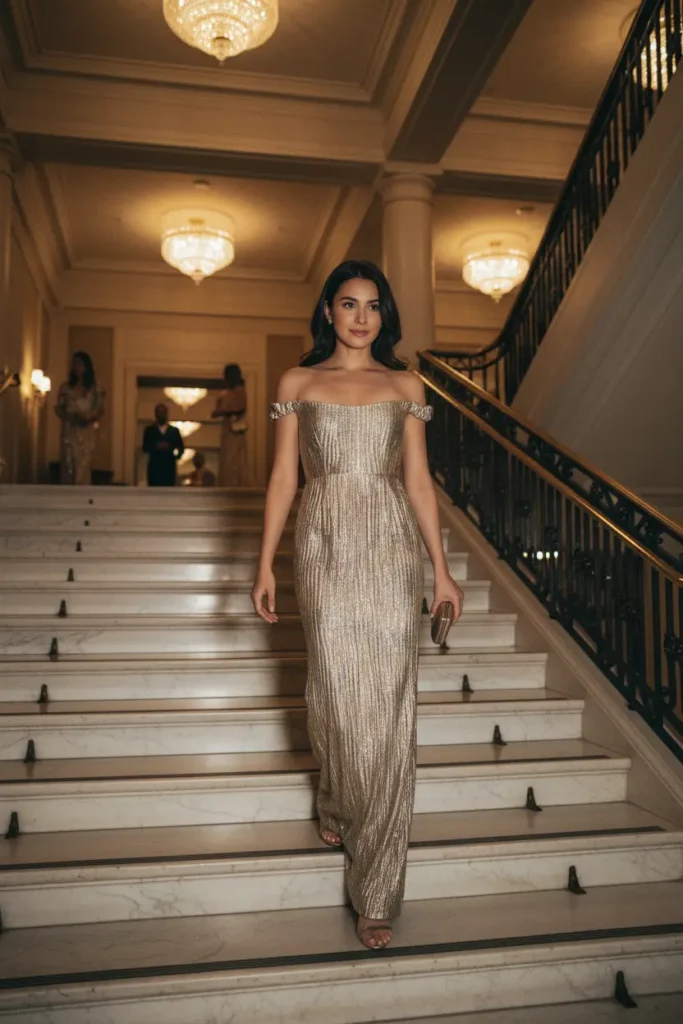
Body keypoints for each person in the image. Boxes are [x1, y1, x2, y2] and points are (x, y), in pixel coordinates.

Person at [251, 260, 464, 950]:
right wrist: (264, 563)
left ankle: (376, 890)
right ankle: (337, 795)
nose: (361, 316)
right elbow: (284, 477)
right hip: (322, 541)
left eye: (373, 305)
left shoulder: (404, 385)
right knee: (336, 693)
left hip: (390, 542)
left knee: (389, 702)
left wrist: (442, 571)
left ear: (384, 315)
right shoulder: (297, 382)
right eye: (348, 303)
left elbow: (420, 484)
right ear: (327, 311)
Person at [55, 351, 104, 485]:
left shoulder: (95, 388)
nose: (76, 367)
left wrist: (88, 418)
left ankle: (81, 496)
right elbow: (59, 408)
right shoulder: (65, 387)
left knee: (82, 465)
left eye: (79, 364)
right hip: (70, 430)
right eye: (74, 363)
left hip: (86, 431)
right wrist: (69, 416)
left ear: (86, 367)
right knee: (68, 464)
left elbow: (99, 408)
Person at [212, 363, 247, 486]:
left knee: (233, 459)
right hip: (228, 429)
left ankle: (233, 486)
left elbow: (240, 407)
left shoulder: (240, 390)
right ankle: (227, 485)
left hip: (235, 431)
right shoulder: (227, 392)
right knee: (227, 459)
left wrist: (221, 411)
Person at [143, 404, 184, 487]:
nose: (160, 415)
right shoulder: (149, 430)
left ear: (166, 413)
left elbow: (181, 447)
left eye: (162, 412)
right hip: (154, 466)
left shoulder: (174, 431)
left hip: (169, 466)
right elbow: (145, 447)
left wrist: (175, 457)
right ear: (155, 414)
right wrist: (156, 446)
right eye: (158, 412)